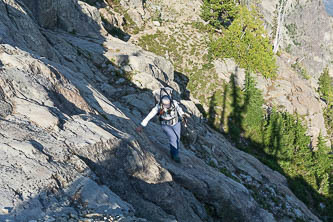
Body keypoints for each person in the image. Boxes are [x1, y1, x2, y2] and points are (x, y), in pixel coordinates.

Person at [136, 90, 187, 163]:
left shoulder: (174, 103)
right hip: (166, 125)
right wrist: (141, 126)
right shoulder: (158, 107)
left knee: (177, 139)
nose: (166, 106)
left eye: (168, 104)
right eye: (165, 104)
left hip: (176, 123)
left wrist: (183, 115)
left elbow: (179, 109)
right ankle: (175, 155)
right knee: (173, 138)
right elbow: (149, 116)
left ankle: (174, 153)